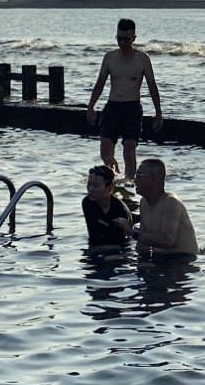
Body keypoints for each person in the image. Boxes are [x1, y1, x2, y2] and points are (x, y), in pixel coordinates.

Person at [86, 18, 163, 181]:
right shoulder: (110, 57)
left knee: (129, 150)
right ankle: (112, 178)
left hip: (132, 108)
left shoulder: (142, 59)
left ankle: (129, 182)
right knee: (106, 152)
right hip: (112, 107)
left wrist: (158, 113)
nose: (122, 42)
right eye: (119, 38)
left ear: (134, 38)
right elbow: (99, 84)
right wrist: (91, 107)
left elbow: (152, 86)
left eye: (126, 39)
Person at [131, 158, 198, 258]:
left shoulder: (171, 203)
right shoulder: (144, 202)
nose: (135, 180)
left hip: (182, 259)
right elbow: (143, 242)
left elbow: (167, 241)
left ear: (153, 179)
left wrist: (132, 233)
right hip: (161, 259)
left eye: (139, 176)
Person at [82, 165, 132, 249]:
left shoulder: (119, 210)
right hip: (99, 246)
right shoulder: (87, 202)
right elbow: (94, 236)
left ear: (110, 188)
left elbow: (120, 242)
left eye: (95, 186)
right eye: (89, 184)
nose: (90, 189)